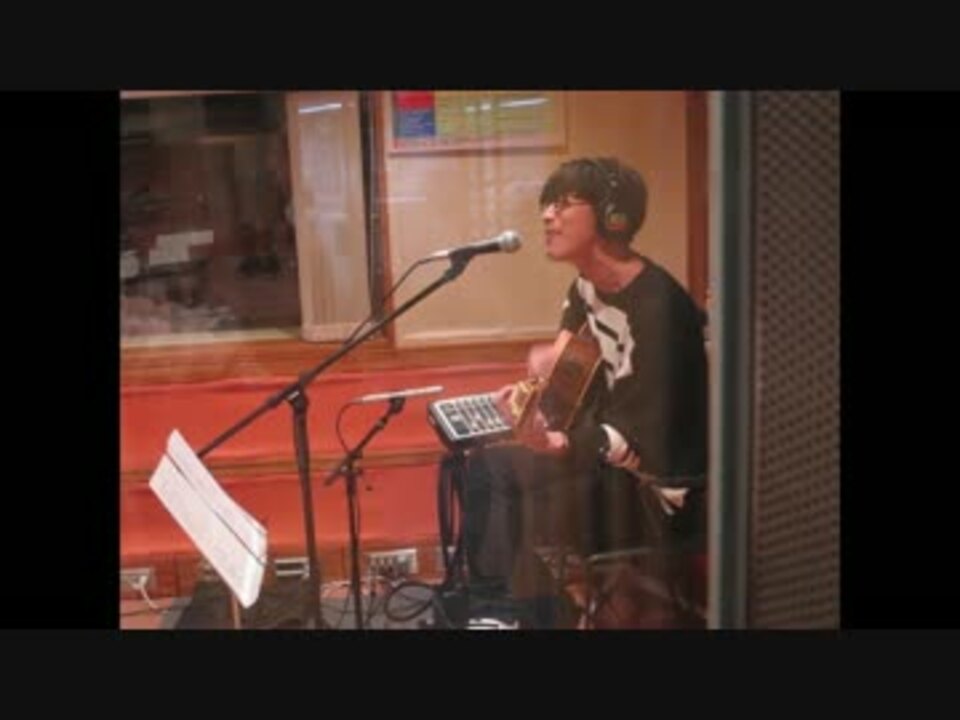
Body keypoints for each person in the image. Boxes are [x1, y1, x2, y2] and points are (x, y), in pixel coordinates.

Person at [460, 156, 708, 628]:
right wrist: (531, 396)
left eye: (563, 204)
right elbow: (563, 382)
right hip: (611, 463)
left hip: (657, 493)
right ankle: (506, 610)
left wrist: (555, 443)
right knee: (484, 467)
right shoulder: (586, 287)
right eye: (547, 205)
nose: (546, 216)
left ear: (613, 216)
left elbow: (639, 438)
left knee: (505, 486)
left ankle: (513, 613)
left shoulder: (658, 309)